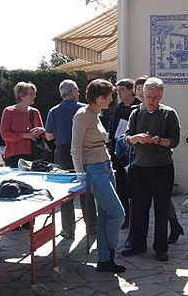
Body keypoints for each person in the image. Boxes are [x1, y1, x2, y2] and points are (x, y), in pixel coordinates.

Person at [122, 77, 181, 262]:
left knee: (161, 208)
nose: (151, 101)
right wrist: (137, 138)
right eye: (148, 96)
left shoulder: (168, 114)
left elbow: (175, 140)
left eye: (155, 97)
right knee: (139, 209)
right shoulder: (137, 113)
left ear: (161, 95)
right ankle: (138, 244)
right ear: (142, 94)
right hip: (140, 168)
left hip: (162, 168)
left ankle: (160, 248)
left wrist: (159, 141)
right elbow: (126, 138)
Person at [71, 79, 126, 273]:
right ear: (100, 98)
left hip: (105, 166)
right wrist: (81, 175)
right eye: (110, 95)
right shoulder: (83, 115)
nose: (112, 99)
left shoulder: (95, 114)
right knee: (118, 214)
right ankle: (110, 250)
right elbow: (75, 148)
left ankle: (105, 260)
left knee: (105, 215)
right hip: (94, 170)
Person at [45, 79, 97, 239]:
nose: (79, 92)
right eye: (78, 90)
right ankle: (92, 226)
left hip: (63, 151)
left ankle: (68, 229)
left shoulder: (54, 111)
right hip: (84, 150)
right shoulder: (85, 109)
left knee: (65, 191)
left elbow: (48, 136)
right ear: (73, 91)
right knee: (86, 188)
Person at [107, 78, 140, 229]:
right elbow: (112, 128)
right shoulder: (118, 108)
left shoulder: (138, 107)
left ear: (131, 90)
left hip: (134, 155)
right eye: (117, 90)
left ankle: (136, 219)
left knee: (135, 188)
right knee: (121, 187)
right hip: (119, 155)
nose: (119, 93)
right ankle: (125, 218)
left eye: (122, 90)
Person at [0, 81, 46, 168]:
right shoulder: (9, 111)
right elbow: (5, 135)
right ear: (21, 95)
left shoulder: (35, 112)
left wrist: (42, 130)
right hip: (14, 155)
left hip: (34, 154)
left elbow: (43, 136)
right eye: (31, 94)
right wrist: (24, 135)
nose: (34, 96)